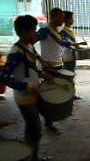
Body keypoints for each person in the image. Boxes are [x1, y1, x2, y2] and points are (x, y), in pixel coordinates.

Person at [0, 15, 49, 161]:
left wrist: (42, 73)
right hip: (25, 98)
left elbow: (30, 68)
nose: (35, 34)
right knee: (35, 130)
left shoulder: (29, 45)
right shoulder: (16, 52)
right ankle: (31, 157)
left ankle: (30, 155)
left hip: (35, 93)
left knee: (32, 129)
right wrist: (26, 86)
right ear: (23, 32)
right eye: (33, 31)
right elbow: (4, 77)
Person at [38, 8, 82, 133]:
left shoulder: (55, 31)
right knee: (50, 95)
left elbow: (61, 43)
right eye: (61, 17)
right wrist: (38, 58)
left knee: (61, 90)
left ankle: (55, 116)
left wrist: (74, 44)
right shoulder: (44, 31)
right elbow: (30, 42)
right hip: (49, 67)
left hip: (58, 65)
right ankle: (48, 122)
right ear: (54, 17)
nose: (63, 20)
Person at [61, 11, 84, 100]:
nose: (72, 20)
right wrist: (78, 44)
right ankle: (69, 95)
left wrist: (78, 45)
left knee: (71, 74)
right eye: (71, 18)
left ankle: (71, 94)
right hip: (67, 55)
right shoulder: (63, 31)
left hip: (71, 54)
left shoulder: (68, 30)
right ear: (66, 20)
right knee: (69, 75)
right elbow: (67, 43)